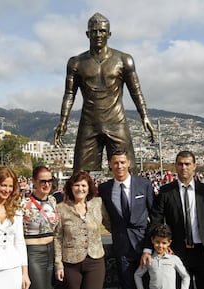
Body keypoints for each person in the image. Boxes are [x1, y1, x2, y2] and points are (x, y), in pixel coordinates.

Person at [54, 12, 155, 173]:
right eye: (94, 31)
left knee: (129, 171)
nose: (98, 35)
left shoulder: (124, 60)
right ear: (87, 34)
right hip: (89, 123)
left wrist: (145, 116)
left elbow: (136, 91)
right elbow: (69, 94)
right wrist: (63, 121)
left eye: (102, 31)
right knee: (82, 175)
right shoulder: (76, 63)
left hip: (117, 121)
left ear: (109, 33)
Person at [142, 150, 204, 289]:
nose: (184, 167)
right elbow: (156, 220)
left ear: (194, 166)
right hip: (178, 253)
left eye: (187, 164)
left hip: (203, 252)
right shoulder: (166, 191)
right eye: (180, 164)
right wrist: (149, 248)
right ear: (176, 166)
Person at [98, 148, 154, 289]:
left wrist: (148, 247)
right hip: (122, 248)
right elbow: (105, 215)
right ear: (109, 165)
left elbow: (155, 217)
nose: (119, 166)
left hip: (144, 245)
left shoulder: (144, 184)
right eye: (115, 163)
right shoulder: (105, 189)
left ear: (129, 163)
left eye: (122, 162)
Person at [54, 171, 110, 289]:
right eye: (76, 185)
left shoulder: (97, 204)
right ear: (71, 187)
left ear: (89, 187)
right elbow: (58, 238)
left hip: (95, 261)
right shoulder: (61, 208)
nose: (80, 189)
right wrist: (58, 264)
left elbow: (110, 225)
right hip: (71, 263)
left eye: (83, 185)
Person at [20, 166, 59, 289]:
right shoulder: (23, 204)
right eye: (43, 181)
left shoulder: (53, 200)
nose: (47, 184)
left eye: (50, 180)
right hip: (33, 254)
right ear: (34, 182)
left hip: (51, 252)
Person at [134, 224, 190, 289]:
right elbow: (137, 275)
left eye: (164, 243)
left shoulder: (174, 259)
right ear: (152, 240)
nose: (160, 245)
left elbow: (186, 277)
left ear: (169, 243)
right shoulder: (149, 259)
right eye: (157, 242)